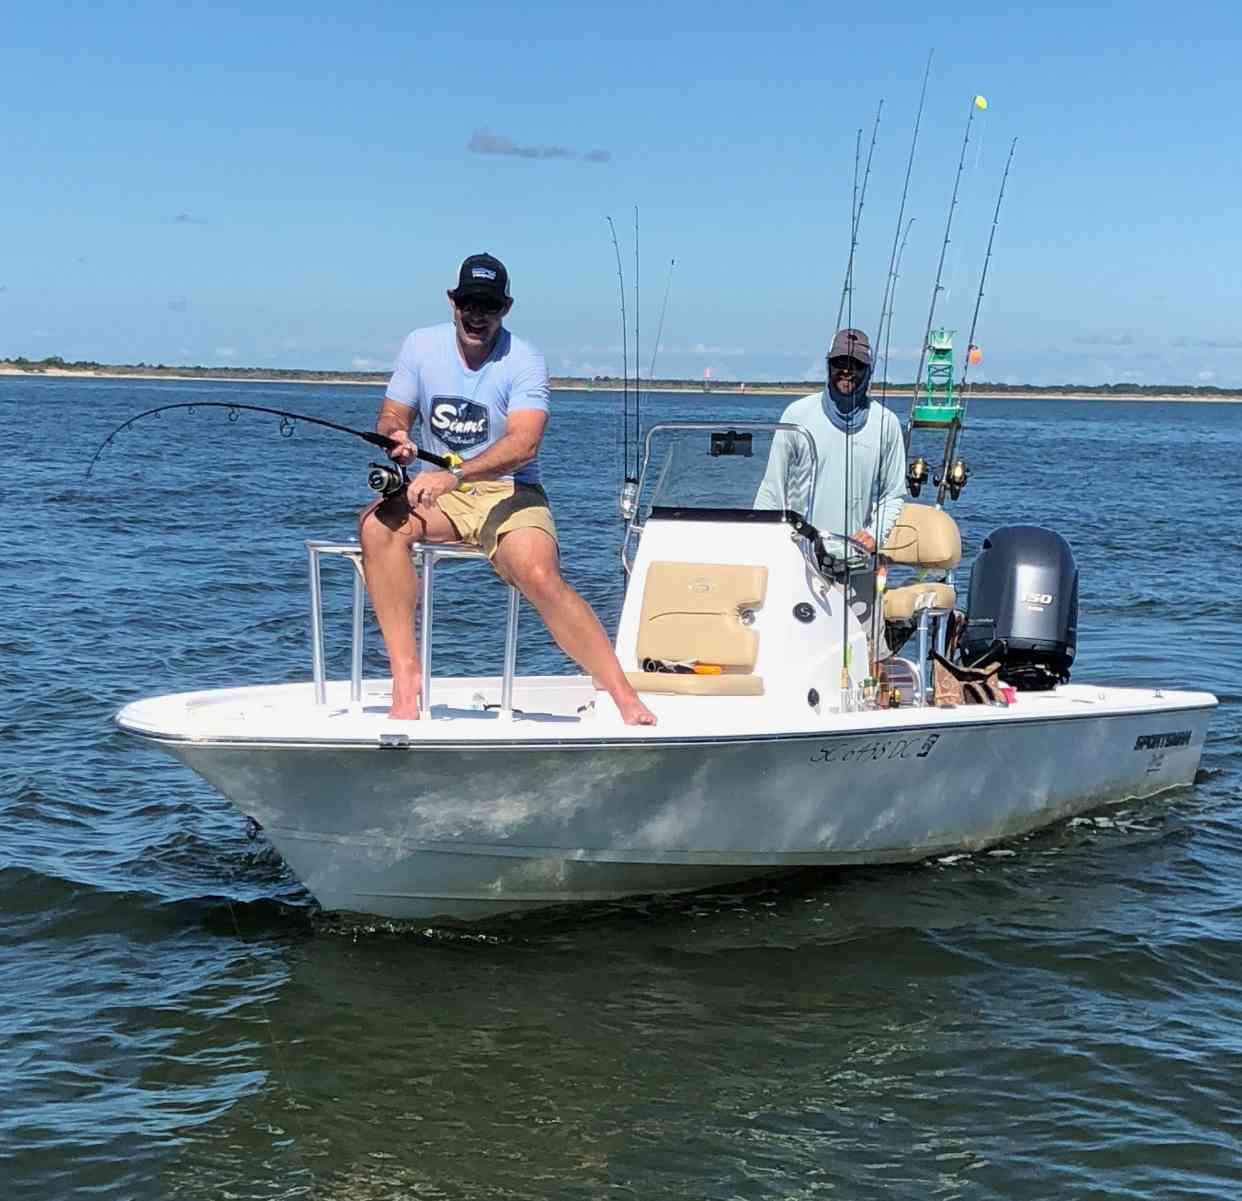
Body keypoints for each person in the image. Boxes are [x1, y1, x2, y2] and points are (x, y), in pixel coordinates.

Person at [359, 252, 657, 726]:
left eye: (489, 306)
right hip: (442, 494)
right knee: (377, 527)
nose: (477, 315)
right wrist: (396, 436)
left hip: (509, 490)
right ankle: (406, 677)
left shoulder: (525, 360)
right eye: (469, 303)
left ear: (506, 308)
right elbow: (393, 413)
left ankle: (622, 692)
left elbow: (525, 442)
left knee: (538, 574)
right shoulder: (420, 346)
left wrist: (455, 475)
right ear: (452, 302)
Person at [754, 327, 907, 656]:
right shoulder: (796, 416)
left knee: (865, 661)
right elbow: (771, 490)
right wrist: (760, 550)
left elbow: (893, 494)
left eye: (856, 364)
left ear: (869, 370)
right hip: (802, 563)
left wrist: (874, 533)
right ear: (827, 365)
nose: (846, 371)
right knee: (795, 653)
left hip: (858, 566)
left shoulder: (887, 424)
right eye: (839, 362)